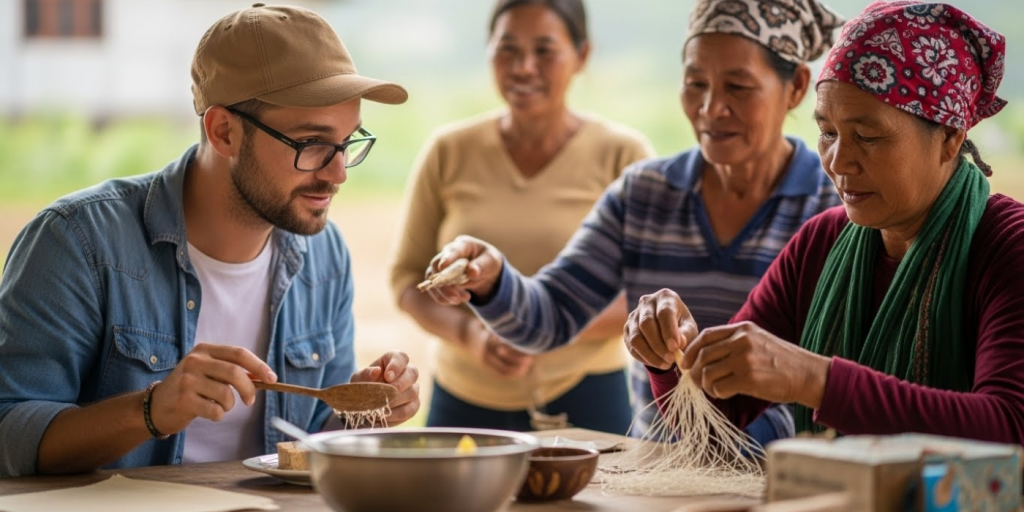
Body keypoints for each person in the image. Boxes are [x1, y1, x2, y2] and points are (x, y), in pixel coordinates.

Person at [0, 4, 420, 477]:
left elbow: (310, 440)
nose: (338, 172)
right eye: (312, 144)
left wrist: (360, 412)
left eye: (347, 143)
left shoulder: (325, 255)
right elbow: (9, 431)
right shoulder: (78, 240)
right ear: (223, 131)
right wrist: (152, 410)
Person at [420, 0, 843, 444]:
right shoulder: (645, 195)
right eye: (695, 83)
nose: (711, 107)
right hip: (657, 476)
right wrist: (491, 279)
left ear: (796, 87)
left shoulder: (829, 206)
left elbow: (830, 372)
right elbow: (550, 318)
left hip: (786, 479)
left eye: (737, 87)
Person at [626, 0, 1024, 445]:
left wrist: (815, 380)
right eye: (828, 133)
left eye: (868, 137)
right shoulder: (822, 244)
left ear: (950, 137)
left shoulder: (1007, 246)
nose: (838, 161)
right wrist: (671, 354)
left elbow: (1010, 428)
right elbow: (711, 419)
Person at [390, 0, 653, 434]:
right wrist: (470, 336)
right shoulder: (449, 150)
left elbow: (647, 288)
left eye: (544, 50)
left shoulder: (623, 154)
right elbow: (405, 278)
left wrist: (537, 327)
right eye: (507, 49)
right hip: (463, 398)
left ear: (582, 55)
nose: (524, 67)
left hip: (588, 395)